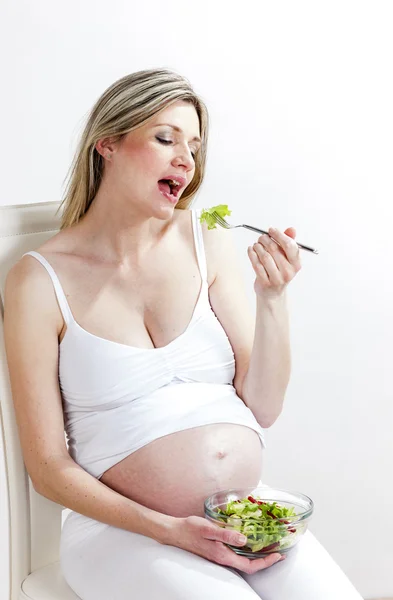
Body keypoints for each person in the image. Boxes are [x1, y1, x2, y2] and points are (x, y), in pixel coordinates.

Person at [4, 68, 363, 600]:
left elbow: (263, 406)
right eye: (165, 138)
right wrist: (171, 530)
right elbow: (48, 469)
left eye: (194, 147)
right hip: (121, 533)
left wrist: (272, 299)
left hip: (245, 515)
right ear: (108, 143)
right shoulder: (39, 281)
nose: (185, 160)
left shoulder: (206, 240)